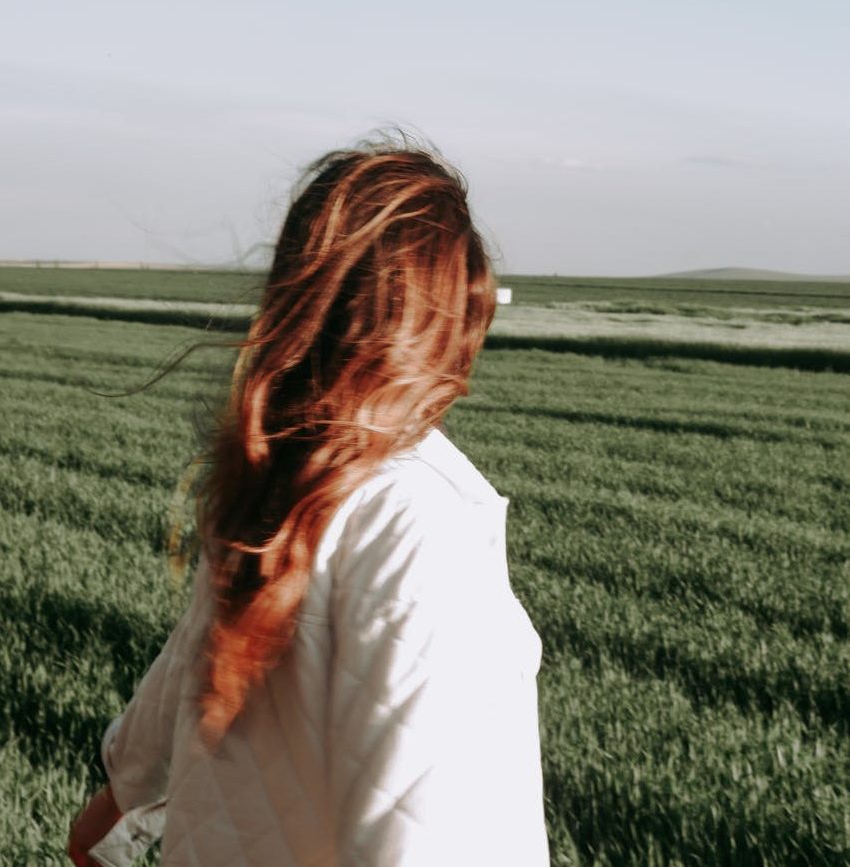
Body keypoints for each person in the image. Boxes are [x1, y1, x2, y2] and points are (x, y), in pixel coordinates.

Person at [68, 137, 550, 866]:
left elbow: (114, 804)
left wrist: (116, 816)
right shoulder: (421, 524)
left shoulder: (273, 498)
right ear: (451, 322)